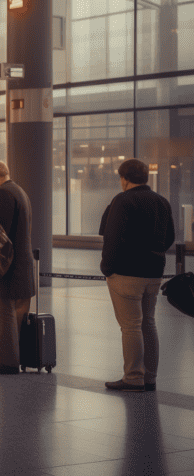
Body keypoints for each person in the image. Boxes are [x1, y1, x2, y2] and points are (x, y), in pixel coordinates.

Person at [100, 158, 175, 392]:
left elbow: (112, 238)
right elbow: (170, 236)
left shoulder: (122, 201)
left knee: (131, 326)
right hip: (154, 272)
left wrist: (107, 268)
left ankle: (133, 377)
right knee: (148, 323)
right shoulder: (161, 201)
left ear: (124, 179)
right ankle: (150, 377)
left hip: (126, 272)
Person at [0, 161, 36, 376]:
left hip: (8, 265)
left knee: (4, 312)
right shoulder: (20, 191)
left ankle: (8, 361)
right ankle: (6, 354)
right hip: (24, 263)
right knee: (18, 312)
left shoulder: (3, 194)